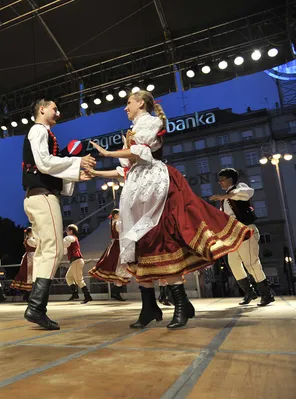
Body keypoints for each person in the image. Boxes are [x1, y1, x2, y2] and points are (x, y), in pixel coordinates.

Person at [89, 90, 251, 329]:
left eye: (128, 103)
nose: (125, 108)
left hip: (156, 185)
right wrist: (95, 173)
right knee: (140, 243)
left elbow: (140, 152)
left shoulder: (152, 122)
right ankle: (149, 307)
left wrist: (108, 152)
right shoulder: (131, 132)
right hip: (137, 187)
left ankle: (181, 303)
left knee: (161, 238)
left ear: (141, 103)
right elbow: (125, 168)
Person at [22, 98, 96, 330]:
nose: (58, 112)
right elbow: (44, 163)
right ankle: (36, 307)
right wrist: (76, 162)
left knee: (45, 251)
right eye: (54, 108)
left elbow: (45, 165)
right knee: (52, 250)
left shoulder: (41, 133)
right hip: (43, 197)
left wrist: (74, 174)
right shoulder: (38, 130)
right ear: (41, 108)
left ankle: (36, 308)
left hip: (37, 195)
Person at [211, 168, 274, 306]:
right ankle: (249, 292)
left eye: (222, 179)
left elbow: (247, 193)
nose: (220, 182)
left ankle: (266, 294)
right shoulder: (225, 199)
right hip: (233, 234)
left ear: (230, 179)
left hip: (246, 231)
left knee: (251, 263)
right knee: (233, 264)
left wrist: (226, 196)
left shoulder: (240, 188)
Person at [88, 209, 128, 301]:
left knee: (117, 267)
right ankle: (116, 293)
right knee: (119, 267)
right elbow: (123, 231)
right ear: (115, 215)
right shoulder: (117, 223)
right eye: (119, 214)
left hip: (116, 245)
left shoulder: (115, 222)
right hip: (118, 246)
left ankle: (116, 293)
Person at [64, 224, 92, 304]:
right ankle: (75, 294)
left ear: (71, 231)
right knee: (68, 277)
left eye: (67, 230)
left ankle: (88, 296)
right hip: (75, 261)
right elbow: (65, 251)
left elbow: (65, 242)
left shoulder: (71, 238)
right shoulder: (70, 239)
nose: (66, 232)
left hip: (76, 260)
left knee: (79, 279)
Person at [11, 227, 37, 302]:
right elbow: (37, 244)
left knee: (30, 274)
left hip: (31, 256)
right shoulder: (30, 239)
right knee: (29, 274)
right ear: (29, 233)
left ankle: (28, 294)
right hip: (30, 257)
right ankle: (28, 294)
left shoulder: (29, 239)